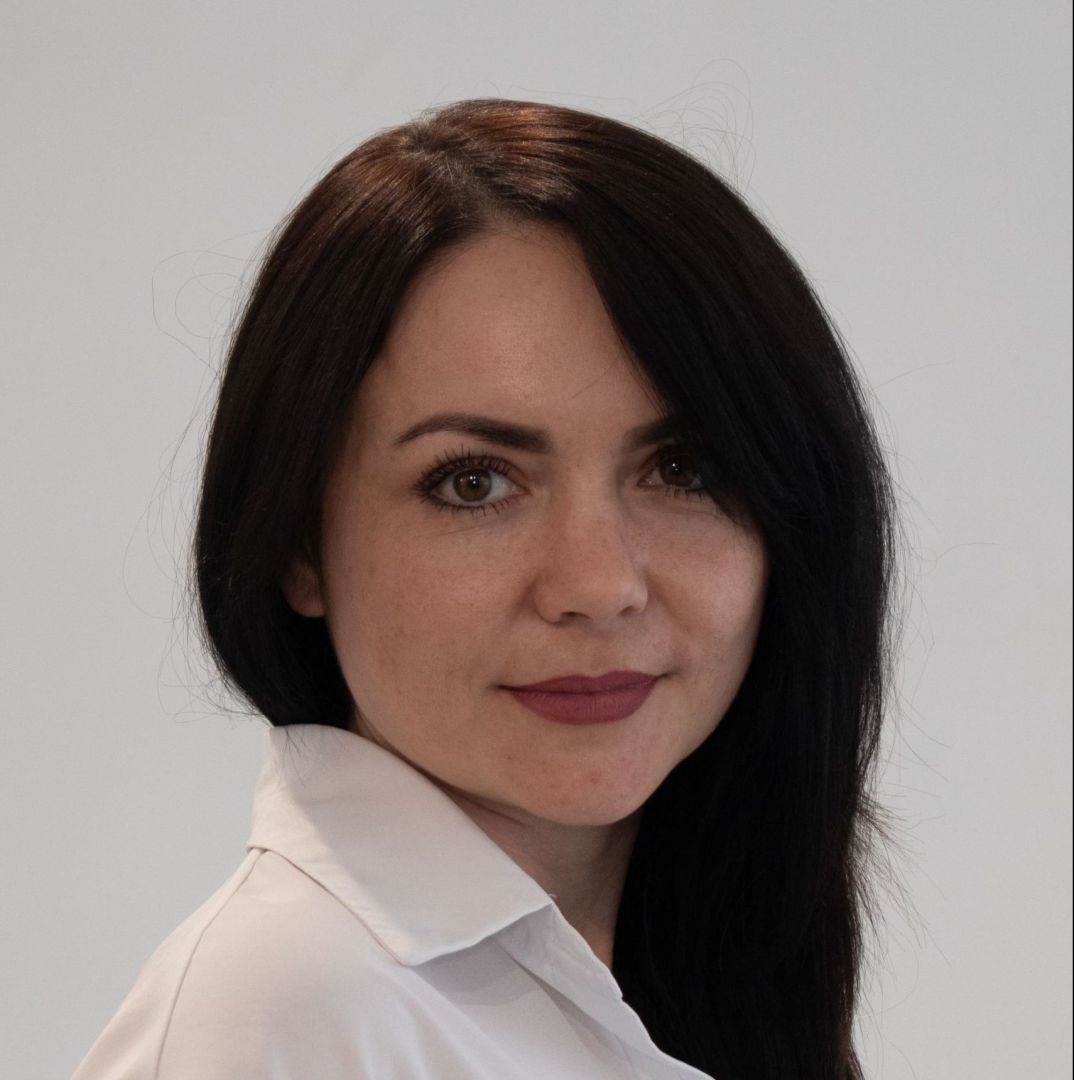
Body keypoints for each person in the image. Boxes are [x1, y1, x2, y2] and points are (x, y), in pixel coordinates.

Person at [72, 98, 903, 1079]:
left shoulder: (696, 980)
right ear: (298, 543)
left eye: (683, 469)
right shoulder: (281, 1015)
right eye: (474, 482)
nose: (599, 584)